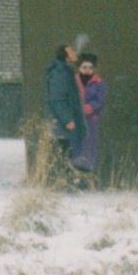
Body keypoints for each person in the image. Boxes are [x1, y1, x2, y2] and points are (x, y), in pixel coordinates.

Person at [43, 44, 85, 180]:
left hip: (65, 123)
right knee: (64, 153)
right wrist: (67, 119)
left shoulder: (66, 71)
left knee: (67, 153)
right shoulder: (60, 73)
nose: (75, 52)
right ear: (66, 56)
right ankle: (63, 182)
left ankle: (66, 181)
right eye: (71, 50)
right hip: (63, 125)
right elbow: (57, 99)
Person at [70, 53, 106, 178]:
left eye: (90, 67)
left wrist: (89, 107)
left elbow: (100, 100)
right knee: (76, 147)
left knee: (89, 147)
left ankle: (88, 177)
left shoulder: (99, 82)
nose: (88, 70)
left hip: (91, 120)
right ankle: (75, 176)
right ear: (79, 68)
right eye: (84, 67)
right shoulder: (72, 81)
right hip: (76, 120)